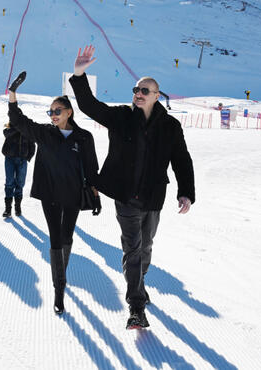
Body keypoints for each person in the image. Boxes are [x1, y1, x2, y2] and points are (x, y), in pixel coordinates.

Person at [69, 45, 195, 330]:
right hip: (125, 196)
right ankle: (136, 306)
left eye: (144, 91)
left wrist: (186, 190)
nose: (137, 93)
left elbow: (181, 159)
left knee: (146, 247)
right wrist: (79, 74)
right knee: (133, 250)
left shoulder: (170, 126)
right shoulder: (122, 117)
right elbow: (89, 105)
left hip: (153, 198)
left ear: (156, 96)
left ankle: (138, 283)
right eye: (136, 89)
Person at [8, 73, 100, 315]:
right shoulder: (46, 134)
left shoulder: (84, 138)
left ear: (69, 111)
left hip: (72, 195)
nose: (53, 115)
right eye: (50, 112)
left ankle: (61, 273)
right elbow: (19, 122)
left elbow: (92, 168)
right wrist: (13, 97)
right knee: (55, 239)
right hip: (50, 194)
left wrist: (95, 192)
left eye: (57, 110)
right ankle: (59, 289)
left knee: (67, 237)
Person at [1, 122, 35, 217]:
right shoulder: (9, 129)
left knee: (20, 183)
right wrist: (17, 127)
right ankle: (8, 209)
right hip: (9, 159)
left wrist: (28, 157)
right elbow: (6, 134)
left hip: (22, 160)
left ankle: (18, 207)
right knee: (9, 182)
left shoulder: (27, 130)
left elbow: (32, 145)